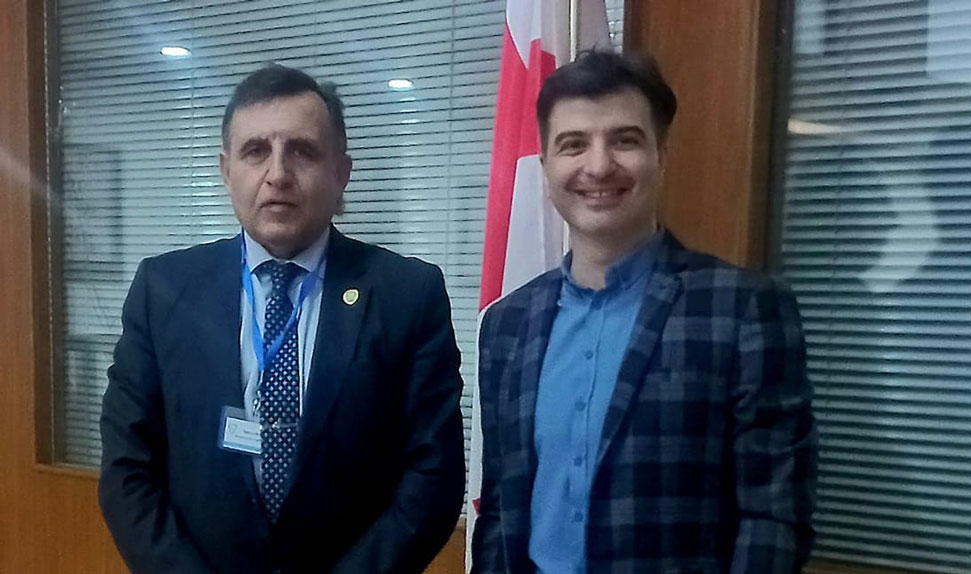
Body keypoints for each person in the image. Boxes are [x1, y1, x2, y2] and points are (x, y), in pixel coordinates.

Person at [99, 64, 465, 574]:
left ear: (341, 173)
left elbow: (433, 476)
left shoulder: (407, 294)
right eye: (255, 151)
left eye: (302, 151)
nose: (277, 174)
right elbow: (127, 468)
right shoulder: (162, 290)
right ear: (227, 171)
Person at [471, 50, 816, 573]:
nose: (598, 165)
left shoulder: (743, 311)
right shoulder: (506, 325)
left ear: (662, 155)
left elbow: (773, 518)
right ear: (545, 166)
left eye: (625, 140)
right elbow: (500, 508)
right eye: (573, 144)